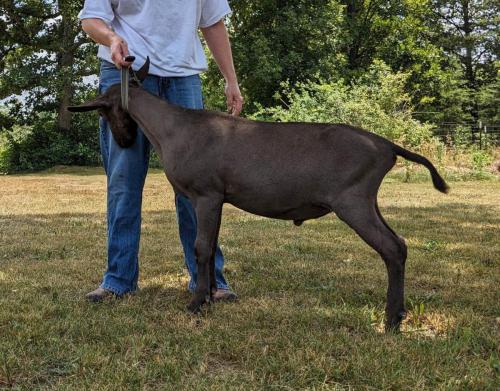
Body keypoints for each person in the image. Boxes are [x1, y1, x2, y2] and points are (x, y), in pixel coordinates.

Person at [78, 0, 243, 302]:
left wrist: (231, 79)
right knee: (124, 182)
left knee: (198, 187)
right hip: (125, 75)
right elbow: (91, 20)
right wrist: (112, 38)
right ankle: (118, 279)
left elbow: (213, 22)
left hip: (183, 78)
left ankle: (208, 280)